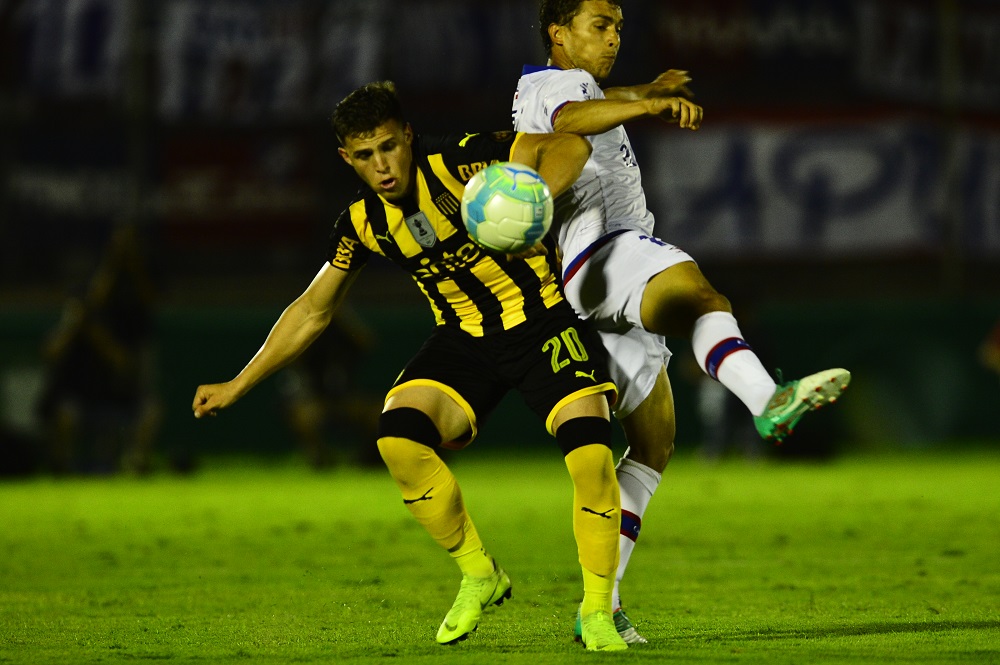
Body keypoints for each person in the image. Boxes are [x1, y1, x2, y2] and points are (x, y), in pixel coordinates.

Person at [192, 81, 630, 651]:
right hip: (464, 340)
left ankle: (596, 611)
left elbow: (570, 144)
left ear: (407, 136)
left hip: (543, 321)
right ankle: (479, 573)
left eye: (389, 147)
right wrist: (238, 384)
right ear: (347, 159)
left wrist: (528, 199)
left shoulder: (461, 161)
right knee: (397, 439)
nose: (382, 165)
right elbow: (312, 311)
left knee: (591, 456)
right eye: (365, 155)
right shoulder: (361, 223)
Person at [512, 0, 851, 643]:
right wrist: (649, 104)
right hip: (608, 250)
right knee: (702, 296)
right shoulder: (556, 87)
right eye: (599, 26)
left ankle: (600, 607)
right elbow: (571, 117)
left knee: (652, 447)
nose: (613, 37)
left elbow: (590, 101)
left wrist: (645, 90)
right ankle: (767, 400)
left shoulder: (561, 84)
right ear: (558, 32)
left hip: (595, 278)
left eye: (618, 27)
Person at [37, 224, 162, 475]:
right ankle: (62, 468)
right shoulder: (73, 324)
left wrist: (95, 333)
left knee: (151, 410)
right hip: (78, 395)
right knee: (65, 413)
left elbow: (122, 361)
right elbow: (50, 352)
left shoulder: (118, 319)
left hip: (111, 394)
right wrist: (75, 325)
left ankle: (134, 464)